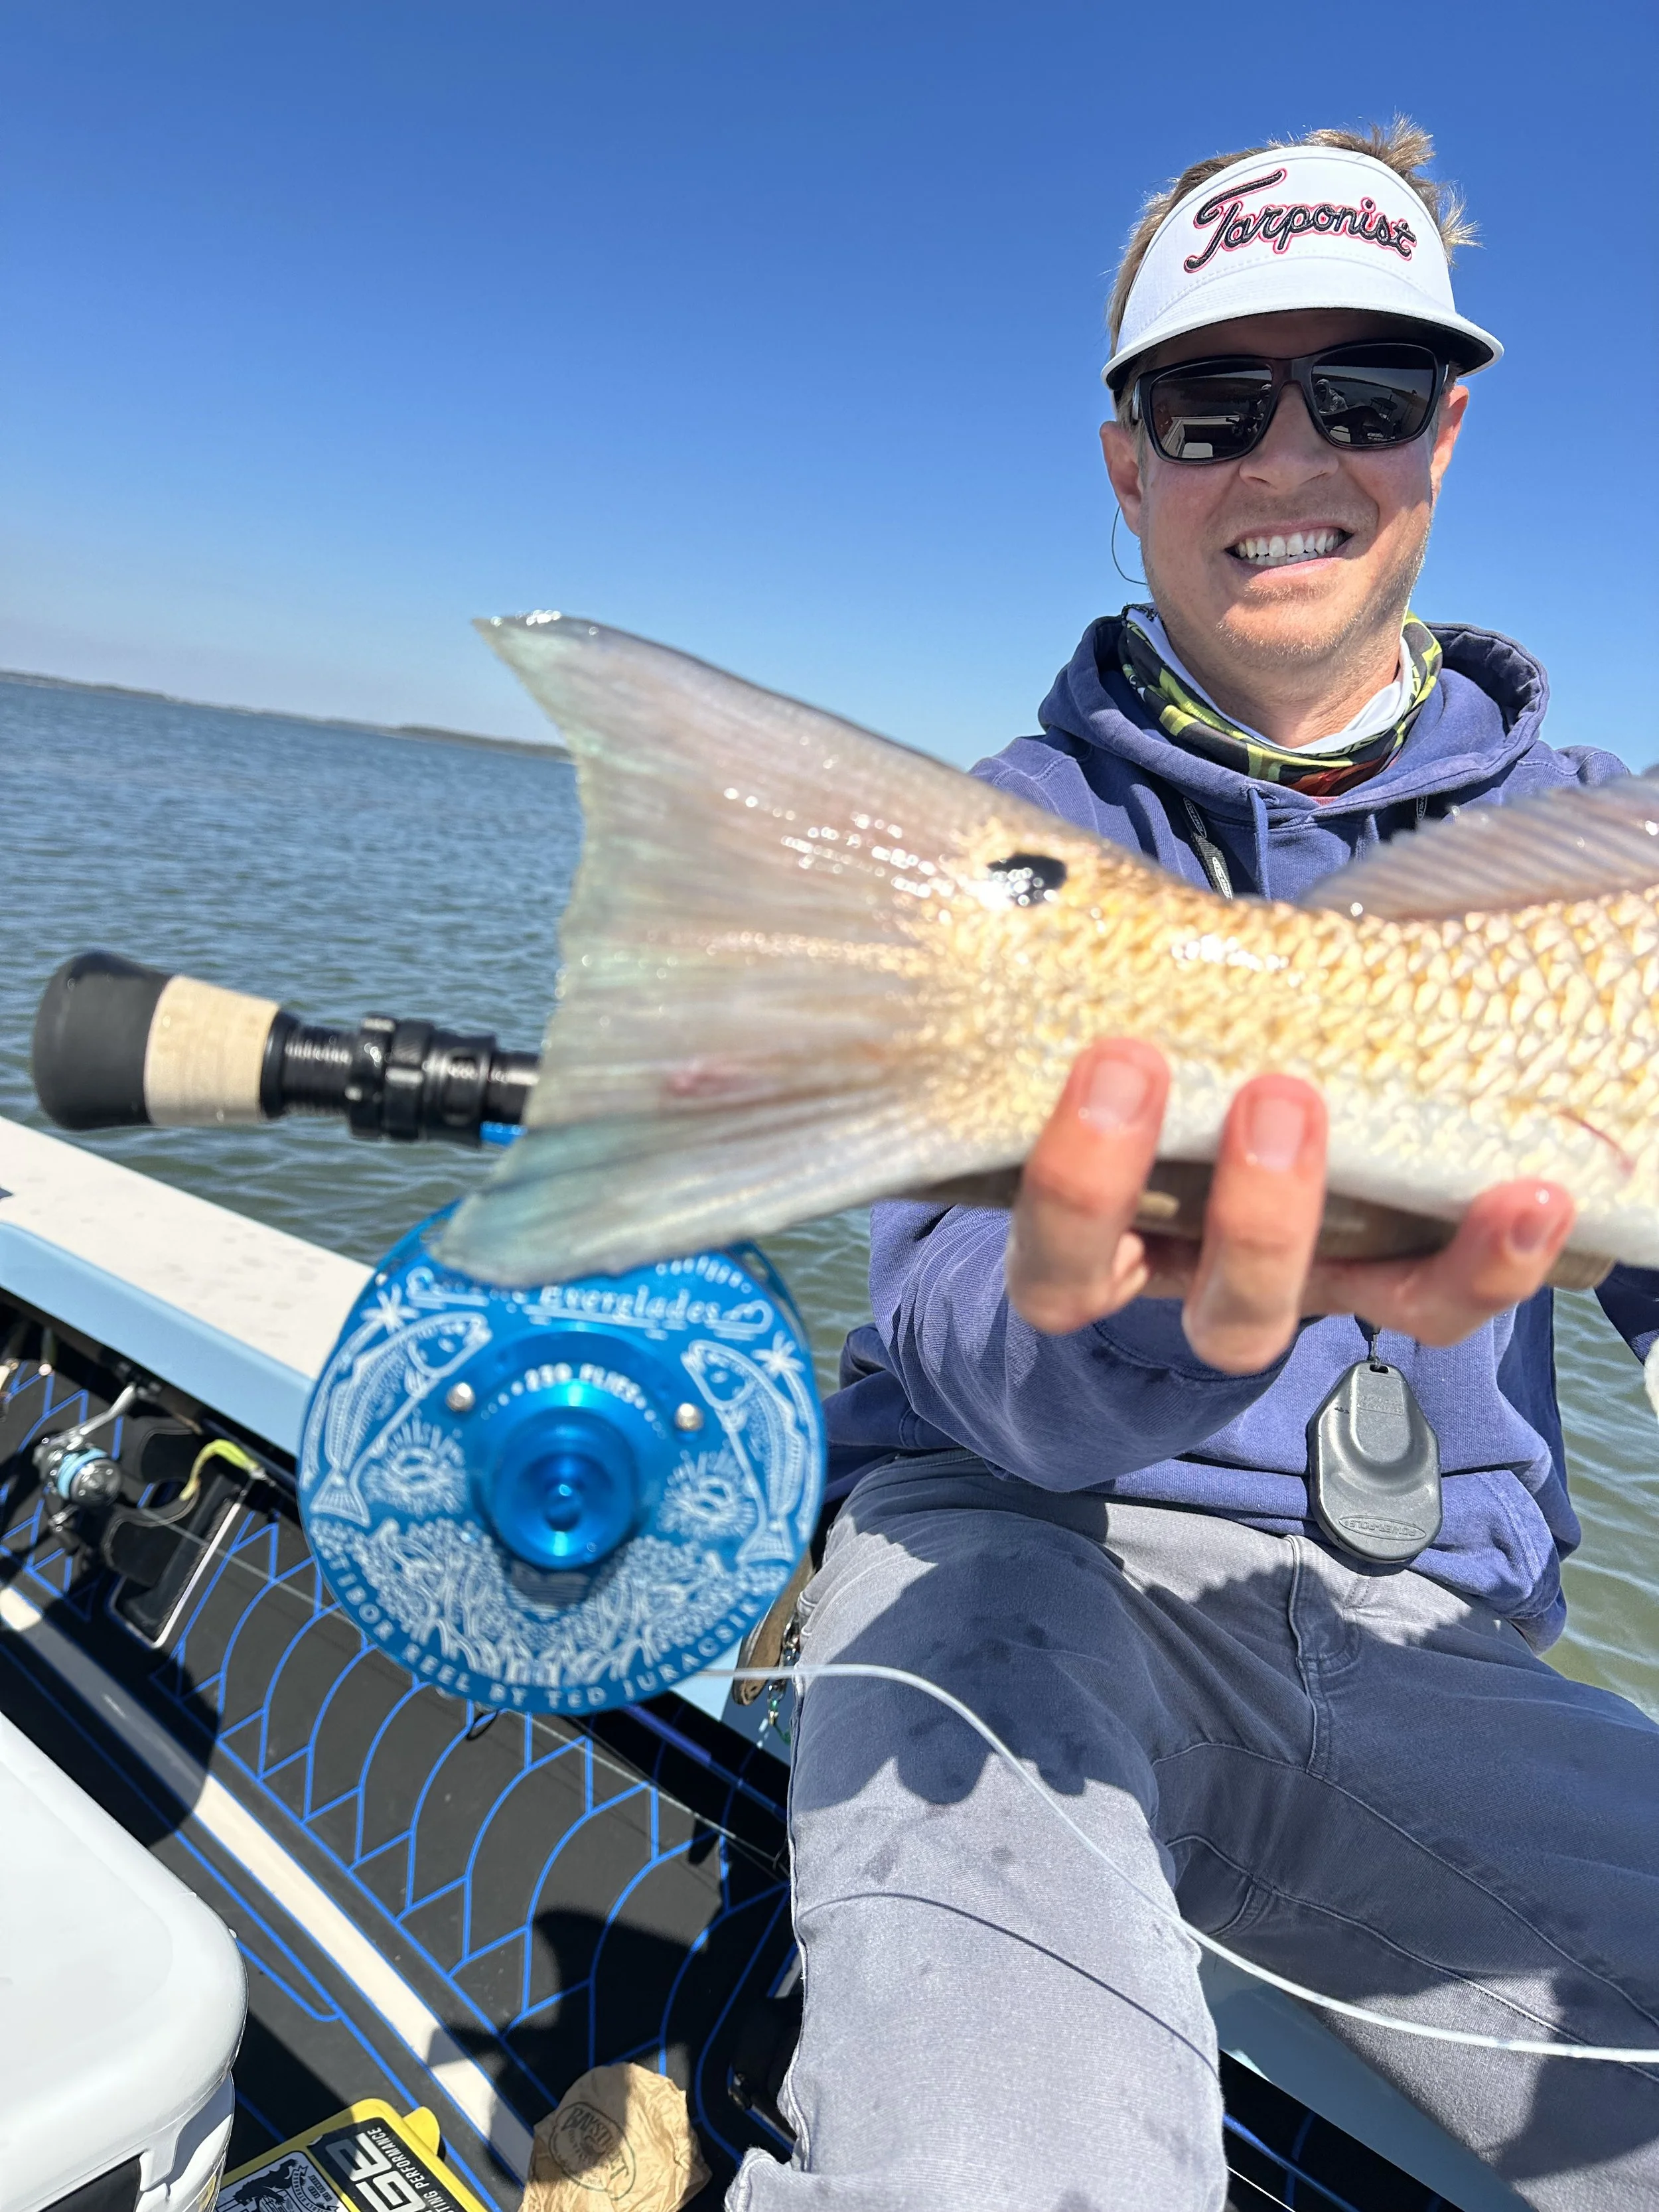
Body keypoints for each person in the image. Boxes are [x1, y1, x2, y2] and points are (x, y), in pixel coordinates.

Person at [731, 122, 1659, 2211]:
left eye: (1365, 393)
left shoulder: (1602, 843)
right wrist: (1143, 1280)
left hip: (1434, 1655)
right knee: (987, 2170)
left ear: (1446, 434)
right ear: (1125, 460)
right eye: (1209, 400)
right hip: (1010, 1562)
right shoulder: (1001, 841)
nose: (1286, 457)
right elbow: (962, 1342)